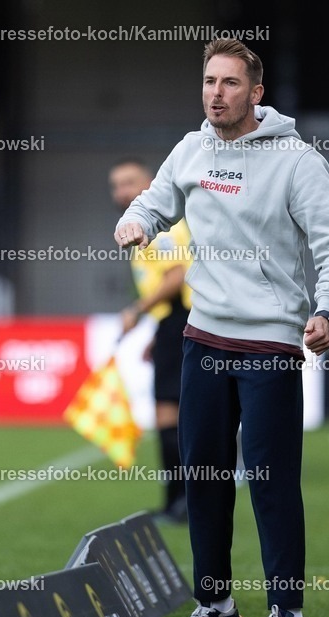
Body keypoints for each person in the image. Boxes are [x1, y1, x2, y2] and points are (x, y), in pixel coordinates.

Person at [114, 38, 329, 617]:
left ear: (256, 92)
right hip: (204, 337)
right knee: (204, 477)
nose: (215, 94)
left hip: (271, 343)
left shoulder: (299, 162)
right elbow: (156, 200)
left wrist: (326, 309)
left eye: (228, 83)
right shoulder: (191, 148)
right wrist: (138, 221)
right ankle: (217, 608)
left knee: (272, 481)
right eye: (208, 82)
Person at [108, 157, 193, 524]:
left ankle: (181, 504)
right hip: (173, 324)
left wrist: (137, 310)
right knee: (173, 415)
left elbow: (176, 276)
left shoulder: (164, 224)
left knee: (168, 414)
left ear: (151, 182)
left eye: (129, 182)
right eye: (116, 185)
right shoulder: (145, 224)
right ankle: (178, 502)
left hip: (183, 320)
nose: (121, 191)